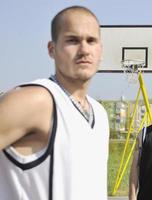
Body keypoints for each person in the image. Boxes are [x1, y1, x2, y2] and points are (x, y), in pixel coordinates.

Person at [0, 6, 109, 200]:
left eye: (91, 40)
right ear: (52, 49)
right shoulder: (35, 100)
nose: (84, 50)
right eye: (72, 40)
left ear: (101, 50)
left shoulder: (99, 113)